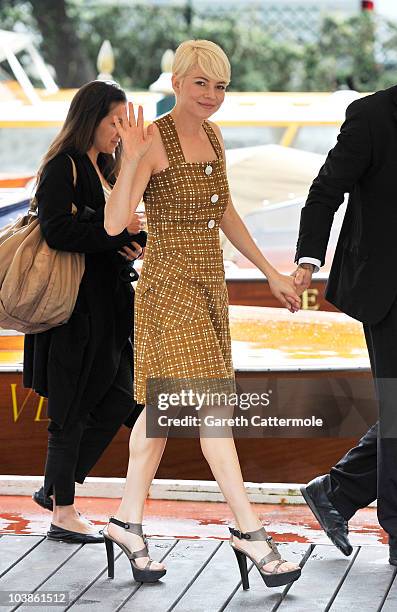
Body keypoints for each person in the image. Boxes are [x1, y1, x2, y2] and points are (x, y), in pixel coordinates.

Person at [102, 39, 302, 589]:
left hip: (208, 283)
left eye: (220, 86)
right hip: (169, 289)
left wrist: (269, 271)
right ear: (177, 83)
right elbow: (116, 224)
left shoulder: (213, 134)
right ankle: (251, 533)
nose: (212, 96)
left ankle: (126, 523)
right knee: (213, 411)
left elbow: (225, 211)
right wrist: (133, 159)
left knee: (162, 416)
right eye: (201, 84)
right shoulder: (153, 139)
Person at [24, 80, 146, 543]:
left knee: (124, 398)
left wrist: (134, 242)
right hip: (74, 310)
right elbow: (58, 232)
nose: (119, 130)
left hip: (108, 307)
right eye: (113, 120)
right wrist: (116, 234)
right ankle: (62, 511)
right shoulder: (64, 167)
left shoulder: (106, 169)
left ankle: (57, 489)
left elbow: (108, 233)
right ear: (89, 118)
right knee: (71, 408)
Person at [293, 84, 397, 566]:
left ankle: (336, 491)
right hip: (386, 289)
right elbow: (326, 190)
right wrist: (308, 260)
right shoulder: (372, 115)